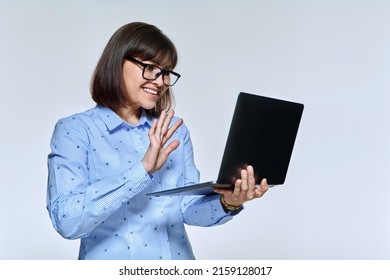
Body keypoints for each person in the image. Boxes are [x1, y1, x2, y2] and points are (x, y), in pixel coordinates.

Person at [46, 22, 269, 260]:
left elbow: (186, 209)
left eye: (165, 72)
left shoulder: (174, 131)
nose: (161, 81)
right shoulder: (76, 130)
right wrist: (142, 170)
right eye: (150, 68)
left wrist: (229, 201)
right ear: (116, 62)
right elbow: (66, 221)